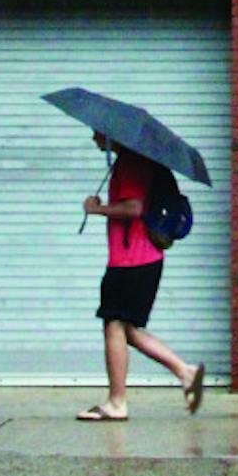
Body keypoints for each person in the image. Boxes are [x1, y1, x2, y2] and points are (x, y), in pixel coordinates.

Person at [77, 131, 205, 422]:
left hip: (131, 260)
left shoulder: (131, 163)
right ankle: (185, 372)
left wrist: (98, 210)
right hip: (142, 258)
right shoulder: (139, 162)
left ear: (112, 136)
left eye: (97, 133)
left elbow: (134, 207)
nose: (93, 137)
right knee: (126, 329)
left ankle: (117, 402)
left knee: (114, 325)